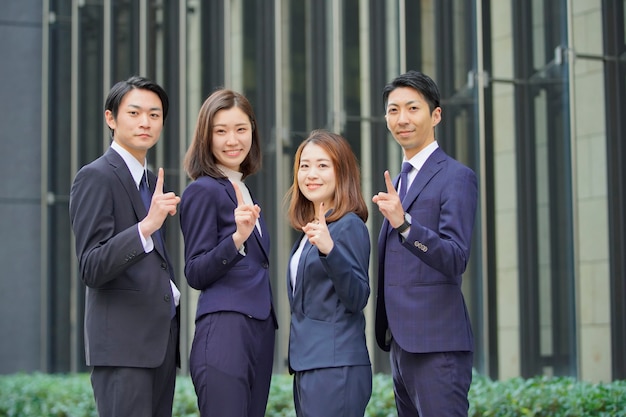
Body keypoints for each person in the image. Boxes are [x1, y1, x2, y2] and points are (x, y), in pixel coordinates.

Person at [69, 75, 181, 417]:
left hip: (158, 345)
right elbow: (91, 265)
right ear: (110, 118)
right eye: (134, 112)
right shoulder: (96, 176)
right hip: (123, 349)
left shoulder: (148, 182)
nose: (145, 122)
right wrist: (146, 226)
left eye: (154, 114)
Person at [372, 70, 478, 417]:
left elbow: (455, 257)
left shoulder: (455, 177)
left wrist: (405, 225)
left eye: (412, 108)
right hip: (402, 347)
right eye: (393, 110)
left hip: (437, 346)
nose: (402, 119)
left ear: (436, 115)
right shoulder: (400, 180)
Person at [179, 88, 276, 417]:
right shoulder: (203, 190)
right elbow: (194, 271)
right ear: (206, 137)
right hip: (225, 332)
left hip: (257, 332)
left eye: (241, 129)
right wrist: (236, 239)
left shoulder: (243, 188)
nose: (232, 140)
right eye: (220, 131)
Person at [285, 129, 372, 417]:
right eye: (304, 165)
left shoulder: (349, 226)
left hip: (336, 367)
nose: (311, 173)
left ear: (341, 172)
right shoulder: (312, 231)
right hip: (309, 365)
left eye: (323, 165)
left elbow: (358, 295)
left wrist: (329, 250)